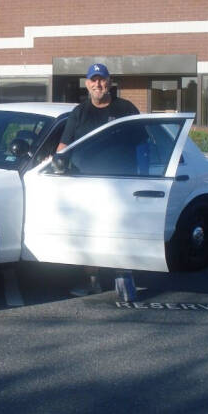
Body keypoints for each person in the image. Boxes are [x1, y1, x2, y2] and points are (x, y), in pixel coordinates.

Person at [56, 62, 140, 302]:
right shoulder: (79, 112)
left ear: (109, 82)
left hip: (121, 183)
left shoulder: (126, 109)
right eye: (93, 80)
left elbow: (144, 141)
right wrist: (56, 163)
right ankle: (92, 281)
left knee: (119, 231)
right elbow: (64, 146)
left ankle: (124, 277)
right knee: (90, 233)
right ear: (87, 84)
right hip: (86, 183)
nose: (98, 84)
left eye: (102, 79)